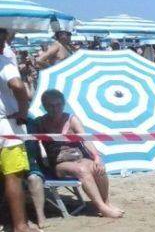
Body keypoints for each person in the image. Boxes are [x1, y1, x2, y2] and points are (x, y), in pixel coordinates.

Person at [36, 90, 124, 218]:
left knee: (97, 167)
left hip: (79, 157)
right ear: (44, 106)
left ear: (63, 104)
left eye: (58, 105)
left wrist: (96, 157)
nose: (55, 108)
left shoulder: (71, 119)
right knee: (82, 170)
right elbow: (33, 143)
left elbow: (86, 139)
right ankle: (101, 207)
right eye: (51, 105)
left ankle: (106, 203)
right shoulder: (40, 123)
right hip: (59, 163)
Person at [0, 29, 48, 232]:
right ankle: (20, 227)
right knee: (13, 176)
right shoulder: (4, 62)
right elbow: (17, 85)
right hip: (6, 126)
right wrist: (23, 108)